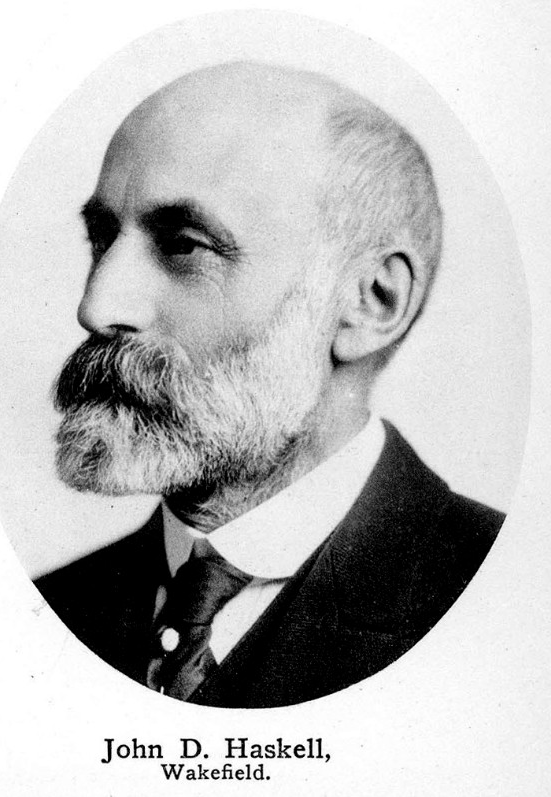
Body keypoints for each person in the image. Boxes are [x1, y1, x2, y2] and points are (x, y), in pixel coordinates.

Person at [35, 61, 504, 708]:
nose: (96, 306)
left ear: (373, 301)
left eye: (184, 245)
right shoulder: (44, 614)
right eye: (103, 238)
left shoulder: (507, 600)